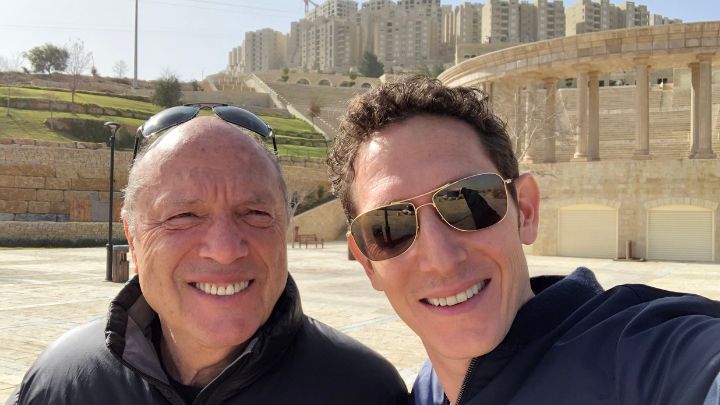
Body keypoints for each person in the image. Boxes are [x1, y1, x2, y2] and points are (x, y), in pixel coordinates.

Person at [327, 76, 720, 405]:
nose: (441, 258)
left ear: (526, 211)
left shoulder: (644, 356)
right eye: (389, 227)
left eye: (468, 200)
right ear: (367, 264)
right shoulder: (428, 391)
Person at [8, 110, 407, 405]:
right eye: (183, 216)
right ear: (132, 236)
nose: (224, 248)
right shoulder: (62, 385)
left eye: (254, 214)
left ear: (283, 226)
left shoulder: (365, 391)